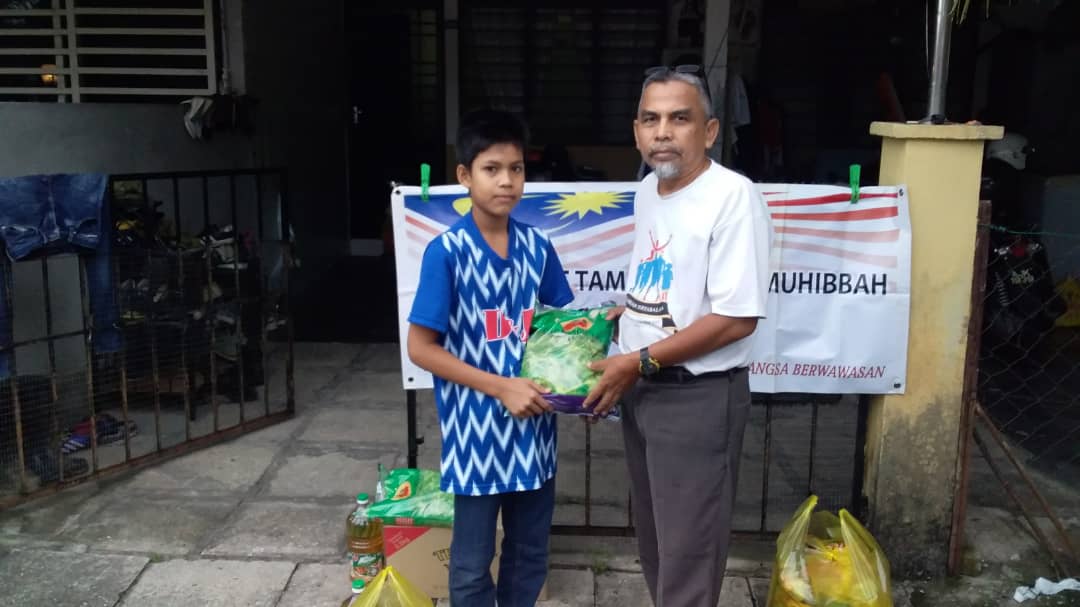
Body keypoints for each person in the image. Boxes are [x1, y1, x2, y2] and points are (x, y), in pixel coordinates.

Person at [583, 66, 773, 606]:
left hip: (696, 397)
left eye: (679, 118)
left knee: (689, 553)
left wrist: (637, 360)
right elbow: (670, 282)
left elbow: (736, 318)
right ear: (636, 131)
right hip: (643, 387)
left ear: (709, 131)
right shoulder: (650, 190)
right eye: (651, 119)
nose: (662, 132)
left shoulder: (732, 196)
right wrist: (629, 315)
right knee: (656, 542)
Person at [406, 108, 574, 606]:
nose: (506, 181)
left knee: (530, 553)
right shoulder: (447, 252)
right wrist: (501, 386)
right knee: (471, 564)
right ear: (465, 176)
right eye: (491, 169)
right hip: (475, 434)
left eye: (516, 169)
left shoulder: (537, 247)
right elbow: (420, 348)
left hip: (534, 431)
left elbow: (558, 327)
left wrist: (594, 331)